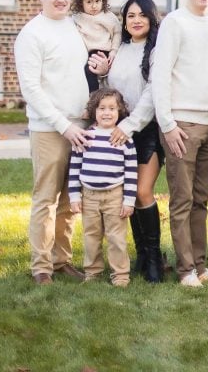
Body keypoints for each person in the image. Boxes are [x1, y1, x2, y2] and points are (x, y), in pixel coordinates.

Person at [151, 0, 208, 287]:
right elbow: (160, 74)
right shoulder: (174, 23)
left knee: (201, 199)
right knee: (182, 200)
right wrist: (167, 124)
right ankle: (185, 270)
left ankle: (200, 265)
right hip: (181, 124)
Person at [14, 0, 93, 285]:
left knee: (68, 200)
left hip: (79, 125)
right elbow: (31, 89)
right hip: (50, 128)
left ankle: (62, 261)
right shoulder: (32, 34)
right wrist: (63, 125)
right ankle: (41, 267)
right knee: (46, 199)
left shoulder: (73, 27)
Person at [106, 0, 165, 282]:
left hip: (146, 130)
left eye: (142, 15)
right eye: (131, 15)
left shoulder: (156, 51)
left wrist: (131, 124)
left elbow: (153, 93)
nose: (136, 20)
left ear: (151, 18)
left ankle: (155, 256)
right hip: (118, 132)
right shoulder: (119, 50)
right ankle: (140, 253)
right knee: (126, 194)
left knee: (142, 192)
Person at [68, 87, 138, 287]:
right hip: (89, 195)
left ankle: (121, 275)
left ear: (120, 111)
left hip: (115, 195)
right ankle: (92, 273)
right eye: (101, 108)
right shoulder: (85, 136)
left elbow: (131, 172)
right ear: (93, 111)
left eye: (112, 108)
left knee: (116, 238)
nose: (106, 113)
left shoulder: (124, 139)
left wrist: (128, 200)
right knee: (91, 236)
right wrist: (74, 196)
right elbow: (75, 166)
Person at [71, 0, 122, 92]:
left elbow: (117, 33)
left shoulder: (107, 16)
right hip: (85, 53)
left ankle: (93, 97)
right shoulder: (77, 18)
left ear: (103, 0)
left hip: (103, 52)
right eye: (89, 2)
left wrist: (114, 51)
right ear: (80, 3)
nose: (94, 6)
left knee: (90, 72)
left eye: (97, 1)